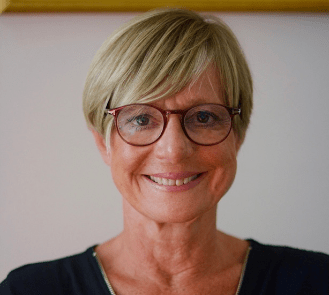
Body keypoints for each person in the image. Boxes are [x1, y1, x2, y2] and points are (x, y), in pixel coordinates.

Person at [1, 8, 328, 295]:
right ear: (104, 143)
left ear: (237, 136)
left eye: (203, 117)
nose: (173, 150)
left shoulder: (317, 281)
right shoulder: (29, 289)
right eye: (141, 119)